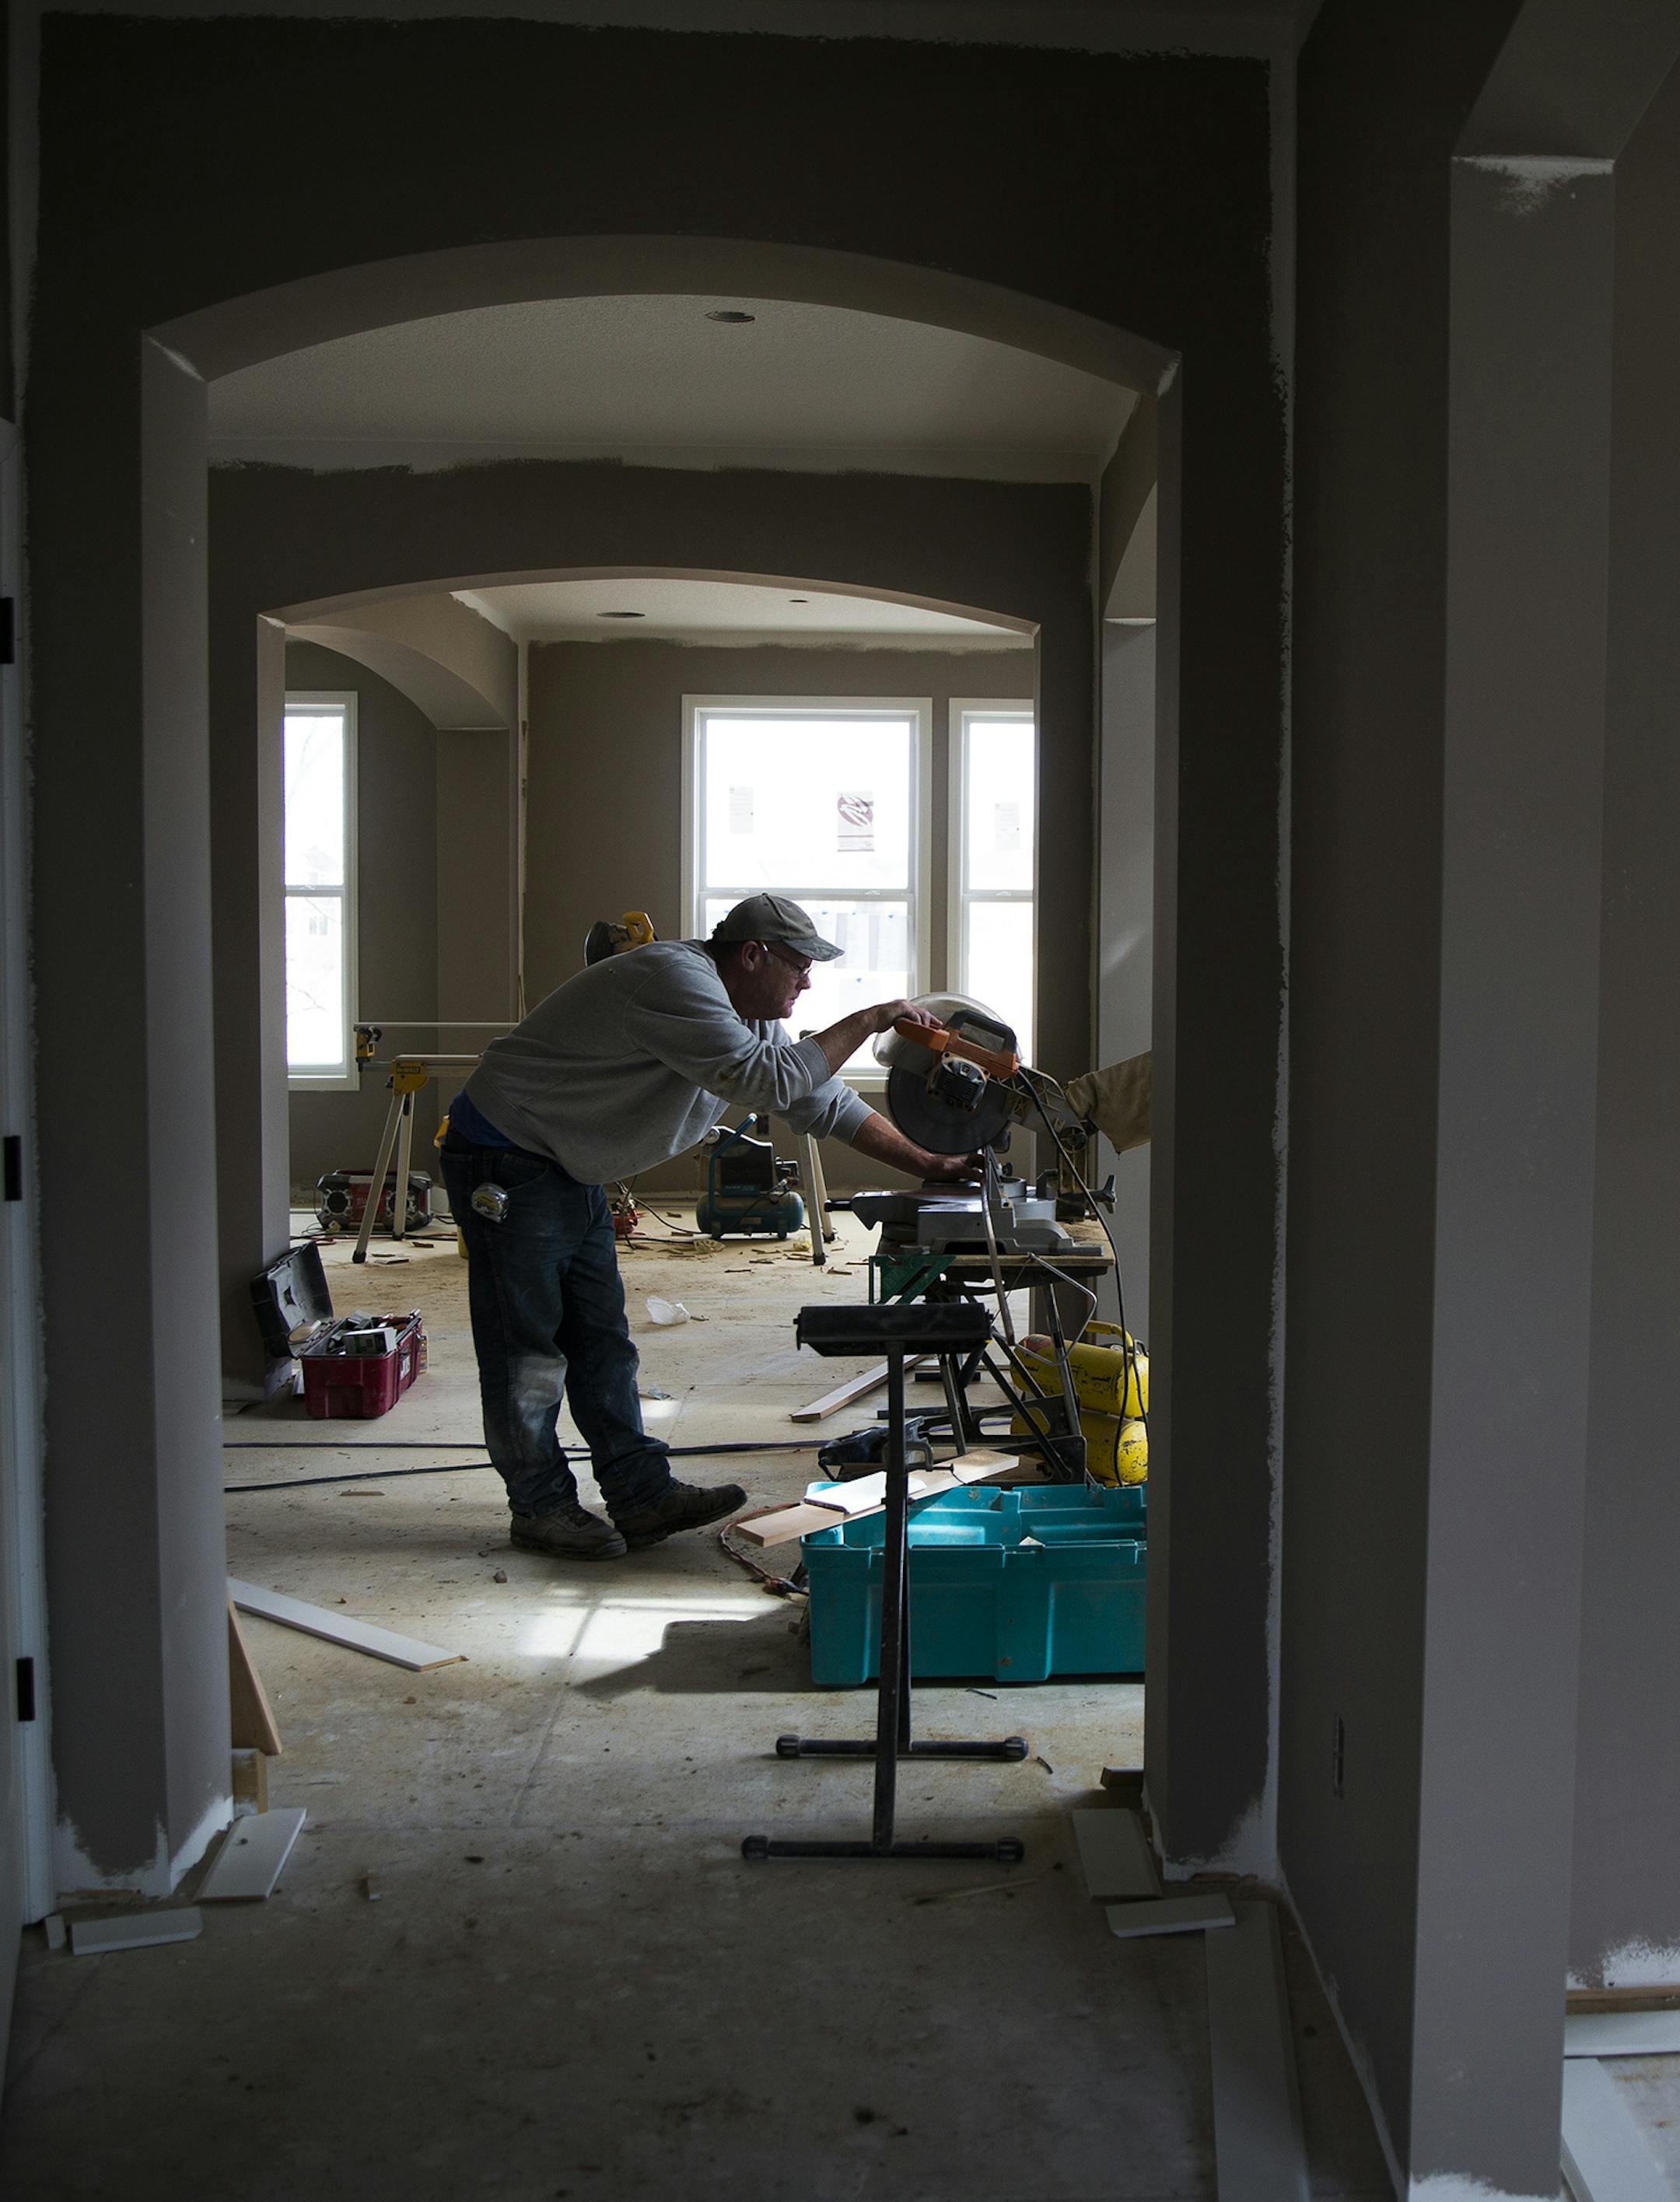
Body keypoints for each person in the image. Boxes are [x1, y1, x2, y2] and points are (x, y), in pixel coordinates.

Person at [439, 894, 975, 1563]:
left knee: (602, 1339)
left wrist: (931, 1164)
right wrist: (869, 1018)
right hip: (507, 1151)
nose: (807, 982)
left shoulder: (744, 1014)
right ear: (752, 954)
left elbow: (820, 1100)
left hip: (561, 1160)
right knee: (528, 1351)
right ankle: (541, 1507)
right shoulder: (676, 981)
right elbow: (774, 1082)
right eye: (799, 966)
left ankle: (639, 1493)